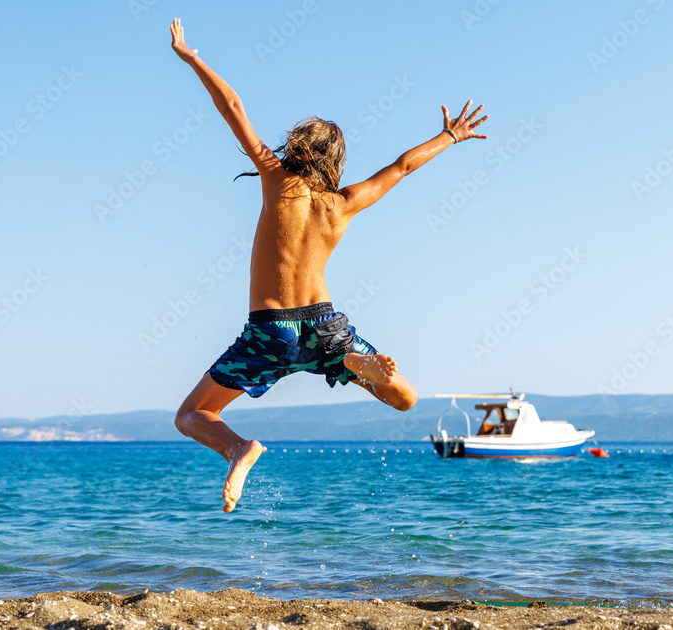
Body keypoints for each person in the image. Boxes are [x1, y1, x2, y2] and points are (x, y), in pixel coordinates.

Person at [168, 18, 489, 512]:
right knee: (405, 398)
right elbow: (401, 167)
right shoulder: (344, 203)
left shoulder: (275, 179)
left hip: (268, 331)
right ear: (335, 163)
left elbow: (231, 106)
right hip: (324, 324)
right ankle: (357, 365)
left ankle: (238, 449)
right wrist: (449, 136)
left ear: (297, 147)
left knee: (191, 415)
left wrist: (192, 57)